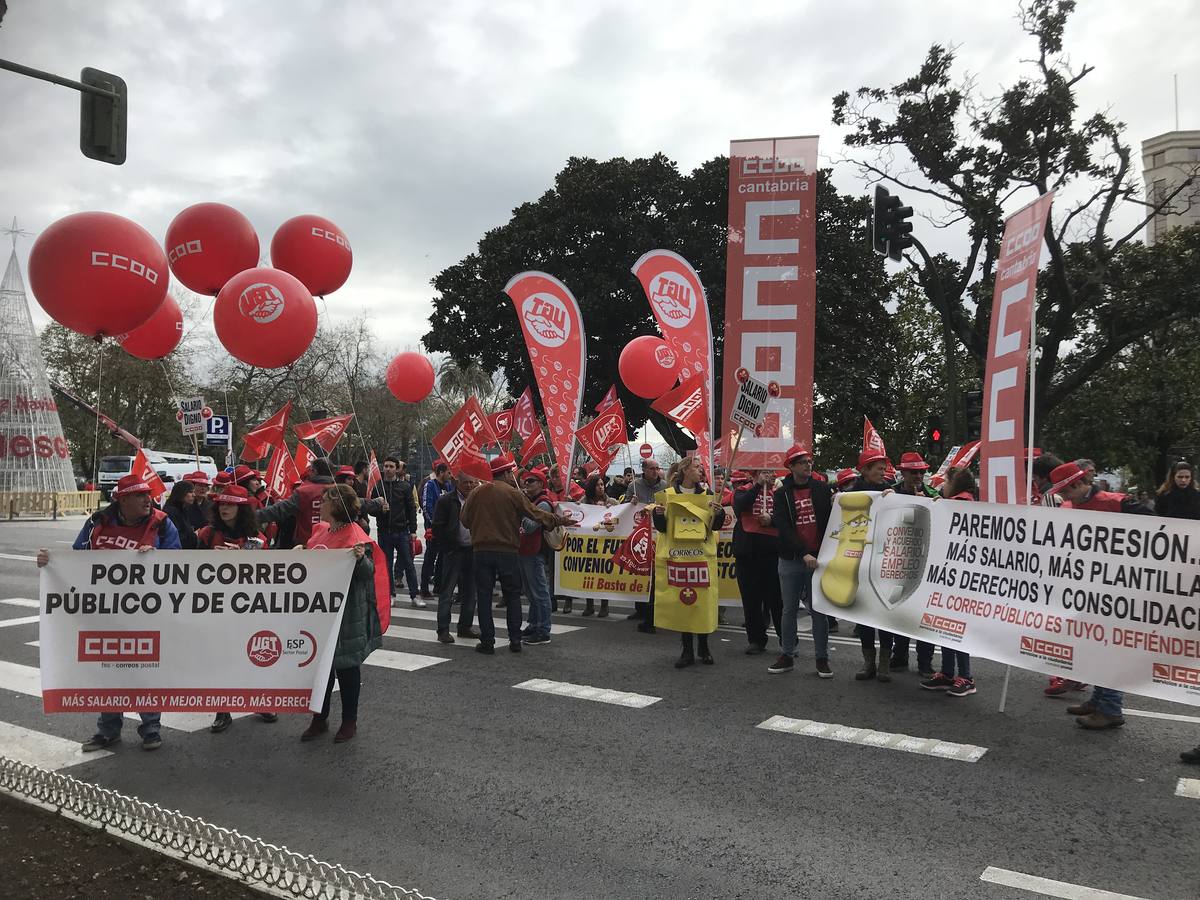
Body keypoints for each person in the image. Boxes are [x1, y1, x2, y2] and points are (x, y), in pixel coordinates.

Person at [36, 473, 181, 752]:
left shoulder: (162, 523)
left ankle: (150, 728)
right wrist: (50, 562)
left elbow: (178, 563)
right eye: (139, 495)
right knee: (107, 669)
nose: (147, 500)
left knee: (144, 669)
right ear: (122, 500)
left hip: (146, 612)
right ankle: (108, 730)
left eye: (147, 494)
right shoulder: (97, 523)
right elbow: (77, 559)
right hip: (103, 612)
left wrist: (158, 558)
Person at [1047, 461, 1153, 729]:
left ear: (1079, 485)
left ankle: (1110, 708)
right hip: (1089, 590)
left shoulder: (1117, 502)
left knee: (1110, 650)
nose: (1064, 496)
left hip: (1117, 590)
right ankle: (1099, 700)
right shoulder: (1069, 507)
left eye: (1066, 490)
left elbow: (1158, 527)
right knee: (1093, 647)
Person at [300, 483, 387, 744]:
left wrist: (361, 559)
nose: (321, 504)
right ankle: (319, 717)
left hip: (348, 613)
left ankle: (349, 721)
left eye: (325, 500)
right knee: (321, 671)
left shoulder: (355, 536)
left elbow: (367, 574)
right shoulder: (320, 533)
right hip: (320, 611)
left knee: (347, 670)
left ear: (337, 506)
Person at [460, 454, 572, 654]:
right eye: (511, 472)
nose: (514, 476)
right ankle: (515, 640)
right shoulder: (513, 493)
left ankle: (487, 641)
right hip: (508, 551)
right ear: (505, 473)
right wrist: (560, 520)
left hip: (481, 551)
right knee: (512, 596)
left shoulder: (476, 492)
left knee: (484, 597)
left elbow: (465, 520)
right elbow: (536, 514)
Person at [195, 484, 277, 731]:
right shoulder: (207, 535)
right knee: (220, 658)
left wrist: (241, 555)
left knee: (250, 657)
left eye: (230, 504)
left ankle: (259, 700)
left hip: (248, 609)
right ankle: (223, 710)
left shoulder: (256, 538)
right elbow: (190, 566)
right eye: (221, 504)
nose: (224, 508)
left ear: (241, 509)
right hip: (215, 607)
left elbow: (266, 573)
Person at [650, 456, 725, 667]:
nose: (701, 469)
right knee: (682, 601)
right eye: (696, 466)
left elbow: (715, 527)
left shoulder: (708, 494)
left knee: (702, 603)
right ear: (684, 470)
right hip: (678, 556)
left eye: (701, 466)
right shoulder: (668, 495)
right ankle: (687, 650)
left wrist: (717, 514)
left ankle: (704, 646)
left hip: (701, 556)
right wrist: (658, 514)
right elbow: (662, 527)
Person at [767, 445, 833, 677]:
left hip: (818, 559)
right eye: (802, 462)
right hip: (792, 559)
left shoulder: (823, 489)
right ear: (792, 467)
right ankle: (787, 655)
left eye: (809, 461)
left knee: (819, 611)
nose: (808, 465)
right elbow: (783, 527)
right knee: (789, 610)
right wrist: (803, 552)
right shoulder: (781, 493)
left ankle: (822, 658)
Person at [919, 467, 978, 697]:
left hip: (958, 577)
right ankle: (948, 673)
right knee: (946, 625)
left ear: (955, 484)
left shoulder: (960, 503)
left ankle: (966, 676)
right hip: (950, 574)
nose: (942, 485)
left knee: (956, 626)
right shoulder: (952, 502)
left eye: (945, 481)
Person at [843, 449, 896, 682]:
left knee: (884, 615)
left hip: (885, 562)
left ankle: (884, 664)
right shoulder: (851, 492)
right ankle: (868, 663)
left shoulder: (893, 490)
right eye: (878, 468)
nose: (883, 472)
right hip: (860, 562)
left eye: (884, 468)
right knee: (863, 615)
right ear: (864, 470)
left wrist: (895, 497)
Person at [888, 451, 940, 673]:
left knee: (923, 617)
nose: (918, 476)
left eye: (921, 472)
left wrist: (935, 505)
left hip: (925, 565)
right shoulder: (891, 493)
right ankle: (899, 657)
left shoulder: (934, 494)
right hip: (899, 563)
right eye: (913, 472)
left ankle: (925, 663)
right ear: (903, 473)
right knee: (900, 613)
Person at [733, 469, 783, 656]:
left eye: (770, 472)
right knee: (751, 601)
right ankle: (756, 639)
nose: (767, 476)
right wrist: (757, 487)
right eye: (763, 472)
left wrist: (772, 520)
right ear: (754, 474)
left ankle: (786, 640)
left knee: (778, 601)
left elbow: (787, 518)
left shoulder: (779, 493)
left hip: (773, 554)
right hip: (748, 554)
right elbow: (740, 506)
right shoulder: (742, 491)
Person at [371, 456, 423, 607]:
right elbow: (371, 508)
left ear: (396, 469)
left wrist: (413, 530)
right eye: (385, 466)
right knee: (386, 565)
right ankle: (390, 594)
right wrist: (379, 509)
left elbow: (411, 509)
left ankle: (415, 595)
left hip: (402, 532)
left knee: (409, 564)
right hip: (384, 532)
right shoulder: (378, 487)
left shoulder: (405, 487)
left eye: (391, 466)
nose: (387, 469)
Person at [624, 457, 668, 629]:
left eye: (657, 468)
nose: (655, 471)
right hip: (640, 532)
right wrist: (631, 502)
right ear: (644, 470)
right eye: (652, 469)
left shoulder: (665, 486)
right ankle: (640, 608)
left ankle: (654, 610)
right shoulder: (633, 486)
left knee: (655, 572)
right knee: (639, 569)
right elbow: (625, 507)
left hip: (658, 533)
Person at [257, 457, 335, 548]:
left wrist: (249, 516)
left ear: (314, 471)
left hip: (306, 545)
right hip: (336, 544)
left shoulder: (304, 492)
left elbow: (279, 510)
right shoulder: (341, 490)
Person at [518, 467, 558, 641]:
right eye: (525, 481)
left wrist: (521, 510)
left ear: (541, 484)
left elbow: (528, 527)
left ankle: (543, 629)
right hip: (526, 550)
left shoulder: (542, 503)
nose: (527, 484)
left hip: (536, 552)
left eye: (531, 481)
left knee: (540, 591)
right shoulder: (532, 501)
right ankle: (534, 624)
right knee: (531, 591)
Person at [578, 474, 613, 617]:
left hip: (605, 544)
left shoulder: (610, 502)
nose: (601, 487)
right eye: (598, 485)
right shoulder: (584, 502)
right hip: (589, 544)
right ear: (592, 487)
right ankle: (589, 605)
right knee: (589, 573)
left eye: (602, 484)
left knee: (604, 574)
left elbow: (622, 513)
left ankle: (604, 605)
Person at [421, 462, 453, 598]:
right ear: (441, 472)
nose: (450, 475)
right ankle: (424, 587)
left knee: (442, 559)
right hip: (434, 529)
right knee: (430, 558)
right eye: (448, 472)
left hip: (445, 530)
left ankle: (438, 586)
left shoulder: (448, 486)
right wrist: (434, 524)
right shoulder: (430, 485)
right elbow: (427, 507)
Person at [163, 479, 198, 550]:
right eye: (190, 492)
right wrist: (195, 536)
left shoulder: (183, 509)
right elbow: (177, 538)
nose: (194, 495)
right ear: (181, 493)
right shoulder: (171, 512)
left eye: (193, 492)